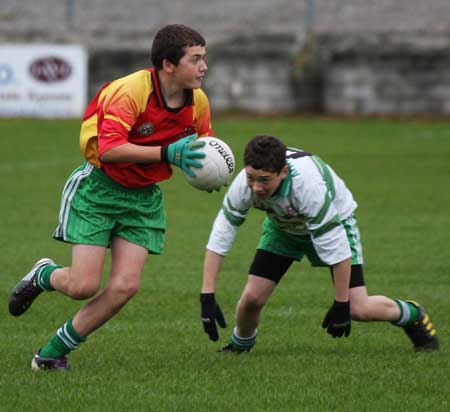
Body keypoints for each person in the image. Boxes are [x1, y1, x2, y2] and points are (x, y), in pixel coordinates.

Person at [9, 24, 213, 371]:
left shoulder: (198, 102)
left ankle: (51, 353)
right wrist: (167, 153)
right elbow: (110, 150)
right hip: (99, 190)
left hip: (143, 198)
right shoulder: (130, 92)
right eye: (195, 59)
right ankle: (43, 275)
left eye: (204, 58)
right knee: (82, 285)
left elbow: (202, 149)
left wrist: (206, 172)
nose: (204, 66)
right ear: (168, 64)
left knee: (125, 287)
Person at [199, 135, 439, 353]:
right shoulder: (244, 185)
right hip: (283, 228)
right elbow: (222, 234)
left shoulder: (307, 188)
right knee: (252, 299)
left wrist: (341, 303)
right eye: (251, 178)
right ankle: (241, 345)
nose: (256, 187)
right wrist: (207, 295)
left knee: (359, 309)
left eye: (264, 180)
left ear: (283, 172)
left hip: (336, 222)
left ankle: (412, 314)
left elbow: (336, 246)